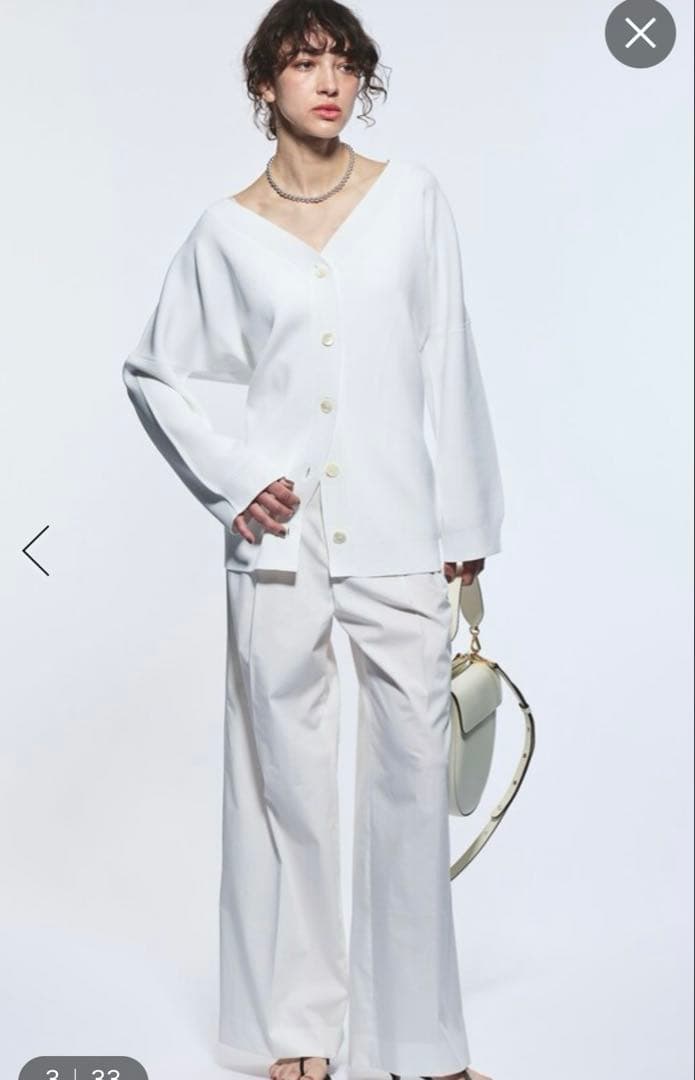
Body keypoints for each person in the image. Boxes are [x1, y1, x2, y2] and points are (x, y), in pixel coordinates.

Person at [122, 3, 503, 1080]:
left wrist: (466, 521)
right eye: (304, 64)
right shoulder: (224, 231)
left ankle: (419, 1042)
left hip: (399, 529)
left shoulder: (410, 200)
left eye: (343, 64)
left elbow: (448, 355)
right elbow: (153, 372)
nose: (328, 83)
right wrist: (237, 480)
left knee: (411, 778)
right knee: (285, 787)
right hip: (280, 546)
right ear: (265, 87)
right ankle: (297, 1033)